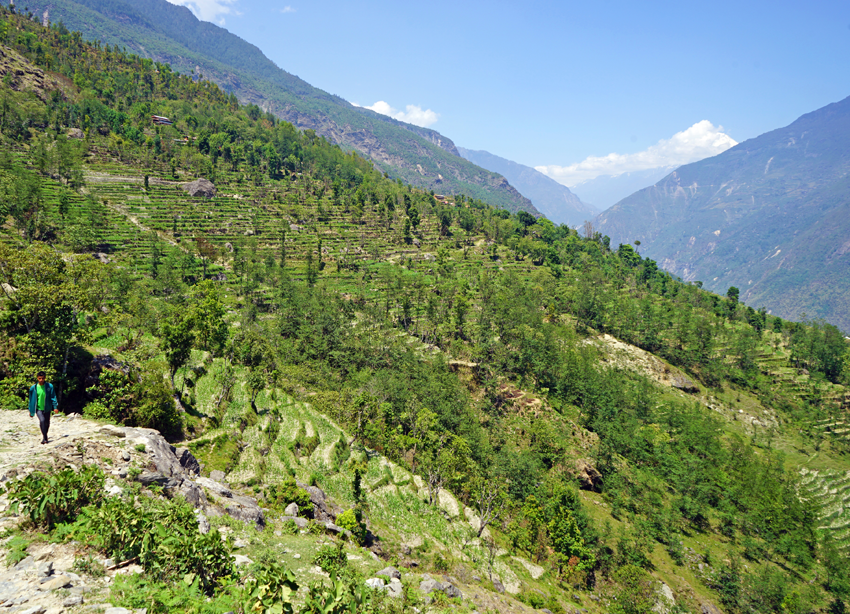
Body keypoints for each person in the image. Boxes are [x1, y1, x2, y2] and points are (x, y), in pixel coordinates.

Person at [28, 371, 59, 444]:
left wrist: (55, 407)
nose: (41, 380)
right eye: (39, 378)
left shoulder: (49, 386)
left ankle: (45, 436)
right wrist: (31, 410)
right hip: (38, 408)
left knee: (47, 423)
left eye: (42, 378)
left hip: (47, 408)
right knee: (42, 420)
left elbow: (53, 396)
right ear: (37, 378)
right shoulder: (33, 388)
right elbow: (31, 400)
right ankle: (44, 437)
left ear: (45, 378)